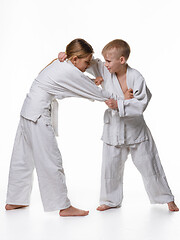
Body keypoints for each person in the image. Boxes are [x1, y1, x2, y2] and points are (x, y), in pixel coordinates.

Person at [58, 39, 179, 212]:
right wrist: (67, 56)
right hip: (113, 128)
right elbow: (85, 60)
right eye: (104, 60)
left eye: (108, 61)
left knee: (150, 164)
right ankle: (110, 200)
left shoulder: (136, 77)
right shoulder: (104, 69)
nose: (104, 64)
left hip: (135, 129)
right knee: (110, 167)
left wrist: (119, 104)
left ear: (121, 60)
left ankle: (167, 199)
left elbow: (142, 103)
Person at [5, 38, 111, 217]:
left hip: (27, 110)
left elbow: (71, 84)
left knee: (22, 158)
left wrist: (92, 81)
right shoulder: (69, 70)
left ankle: (15, 200)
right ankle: (63, 206)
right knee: (51, 160)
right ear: (75, 59)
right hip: (38, 115)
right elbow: (95, 93)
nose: (87, 66)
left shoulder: (60, 63)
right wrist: (120, 96)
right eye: (86, 62)